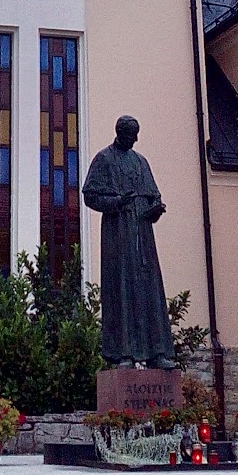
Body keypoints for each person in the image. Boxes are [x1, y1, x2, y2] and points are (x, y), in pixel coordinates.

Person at [82, 115, 177, 369]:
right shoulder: (104, 159)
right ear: (120, 133)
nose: (135, 139)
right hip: (118, 235)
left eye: (136, 134)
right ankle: (123, 353)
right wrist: (116, 202)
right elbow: (90, 195)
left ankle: (157, 353)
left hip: (143, 236)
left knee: (150, 291)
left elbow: (153, 195)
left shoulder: (141, 162)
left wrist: (155, 208)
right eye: (131, 135)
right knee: (121, 290)